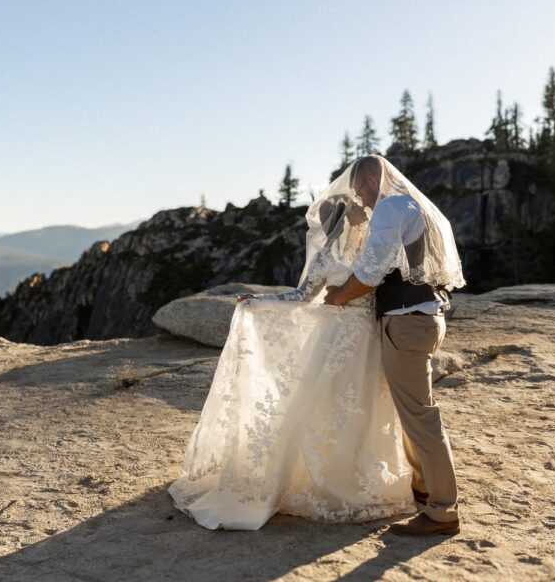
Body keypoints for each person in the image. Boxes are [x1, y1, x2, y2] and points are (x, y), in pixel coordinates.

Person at [167, 160, 417, 530]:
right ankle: (321, 480)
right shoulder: (326, 256)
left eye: (360, 209)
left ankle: (360, 475)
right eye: (353, 211)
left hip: (368, 339)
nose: (359, 213)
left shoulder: (376, 250)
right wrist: (261, 302)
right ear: (341, 218)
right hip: (333, 342)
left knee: (366, 410)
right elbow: (302, 296)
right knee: (326, 407)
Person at [324, 154, 466, 536]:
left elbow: (371, 272)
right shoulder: (407, 205)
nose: (362, 202)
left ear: (371, 181)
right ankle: (424, 490)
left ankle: (442, 511)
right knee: (413, 415)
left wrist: (337, 296)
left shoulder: (390, 205)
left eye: (360, 193)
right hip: (419, 320)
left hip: (406, 324)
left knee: (421, 418)